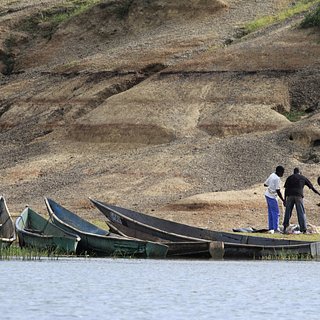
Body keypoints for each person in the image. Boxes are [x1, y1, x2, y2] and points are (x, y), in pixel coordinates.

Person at [283, 168, 320, 234]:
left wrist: (284, 199)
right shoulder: (303, 177)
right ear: (300, 172)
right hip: (299, 196)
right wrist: (318, 193)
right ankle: (304, 230)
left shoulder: (289, 177)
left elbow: (286, 189)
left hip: (290, 196)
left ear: (294, 172)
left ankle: (285, 228)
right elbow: (312, 187)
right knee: (301, 212)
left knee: (288, 212)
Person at [264, 166, 285, 234]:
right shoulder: (277, 178)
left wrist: (271, 186)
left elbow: (265, 184)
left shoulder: (272, 175)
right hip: (272, 197)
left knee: (271, 212)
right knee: (276, 212)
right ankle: (276, 228)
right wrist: (283, 200)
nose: (282, 174)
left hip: (267, 195)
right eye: (282, 173)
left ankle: (271, 228)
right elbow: (278, 190)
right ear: (279, 172)